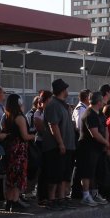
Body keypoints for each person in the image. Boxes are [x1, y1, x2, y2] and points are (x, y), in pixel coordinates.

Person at [40, 79, 76, 210]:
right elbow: (53, 125)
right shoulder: (53, 105)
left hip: (67, 146)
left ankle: (61, 198)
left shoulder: (63, 105)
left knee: (62, 175)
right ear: (62, 90)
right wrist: (60, 143)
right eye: (66, 89)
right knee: (54, 174)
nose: (67, 91)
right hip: (56, 147)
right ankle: (51, 199)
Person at [77, 92, 110, 206]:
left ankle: (95, 194)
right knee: (87, 172)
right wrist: (106, 142)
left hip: (98, 148)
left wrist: (106, 142)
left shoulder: (100, 113)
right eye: (102, 101)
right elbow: (94, 133)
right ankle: (86, 195)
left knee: (96, 172)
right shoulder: (89, 114)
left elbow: (105, 128)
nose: (104, 103)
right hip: (88, 148)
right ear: (99, 102)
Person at [2, 93, 34, 212]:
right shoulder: (20, 117)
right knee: (18, 176)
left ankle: (9, 202)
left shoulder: (7, 116)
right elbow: (25, 136)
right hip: (19, 149)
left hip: (10, 148)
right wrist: (33, 136)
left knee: (11, 177)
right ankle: (15, 201)